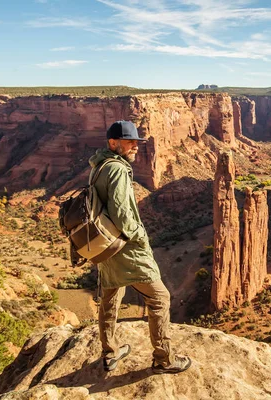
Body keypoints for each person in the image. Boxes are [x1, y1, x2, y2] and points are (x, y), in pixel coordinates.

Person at [88, 120, 192, 374]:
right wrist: (140, 235)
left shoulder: (100, 165)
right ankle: (163, 359)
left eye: (136, 141)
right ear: (113, 143)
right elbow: (123, 215)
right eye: (129, 141)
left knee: (112, 295)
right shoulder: (117, 170)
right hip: (125, 245)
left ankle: (110, 353)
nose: (135, 146)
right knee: (159, 298)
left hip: (106, 243)